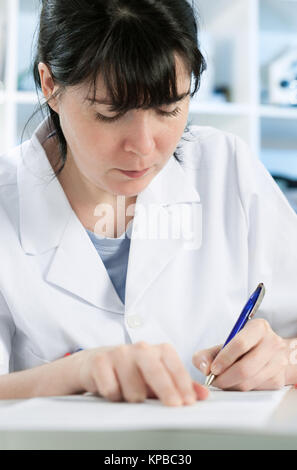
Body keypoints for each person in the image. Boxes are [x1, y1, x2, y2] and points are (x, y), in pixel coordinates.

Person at [0, 0, 297, 407]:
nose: (143, 146)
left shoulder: (227, 168)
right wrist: (77, 372)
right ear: (50, 85)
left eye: (168, 108)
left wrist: (284, 356)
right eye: (110, 113)